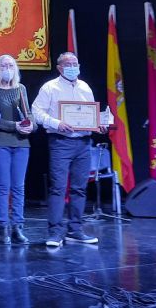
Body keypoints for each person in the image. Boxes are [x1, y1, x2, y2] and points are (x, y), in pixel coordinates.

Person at [31, 52, 107, 247]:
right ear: (59, 67)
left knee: (79, 188)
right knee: (58, 188)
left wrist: (98, 124)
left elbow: (91, 114)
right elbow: (36, 111)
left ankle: (75, 230)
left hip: (83, 144)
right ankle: (55, 232)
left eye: (75, 63)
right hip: (60, 142)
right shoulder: (50, 88)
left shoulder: (85, 87)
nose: (73, 66)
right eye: (68, 64)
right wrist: (56, 123)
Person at [0, 55, 36, 245]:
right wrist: (14, 125)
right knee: (3, 185)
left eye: (10, 65)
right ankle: (3, 228)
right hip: (0, 141)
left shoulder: (20, 89)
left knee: (18, 186)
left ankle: (18, 227)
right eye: (4, 66)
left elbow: (28, 112)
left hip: (21, 143)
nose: (7, 68)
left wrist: (31, 125)